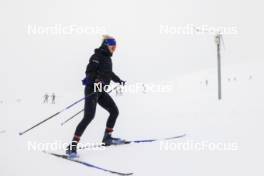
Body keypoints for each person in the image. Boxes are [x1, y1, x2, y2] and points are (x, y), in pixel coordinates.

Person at [66, 35, 126, 156]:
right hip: (92, 90)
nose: (113, 50)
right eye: (112, 47)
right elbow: (89, 72)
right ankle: (72, 147)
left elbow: (109, 73)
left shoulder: (107, 59)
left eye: (115, 48)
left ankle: (107, 138)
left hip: (101, 90)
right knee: (89, 117)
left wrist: (118, 80)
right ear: (105, 45)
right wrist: (95, 80)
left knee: (114, 111)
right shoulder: (96, 57)